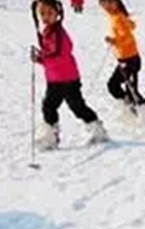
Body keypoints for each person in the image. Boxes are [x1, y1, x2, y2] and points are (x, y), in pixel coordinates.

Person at [31, 0, 108, 150]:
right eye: (42, 13)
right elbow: (50, 56)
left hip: (67, 79)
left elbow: (59, 56)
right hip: (55, 79)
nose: (45, 17)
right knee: (49, 106)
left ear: (58, 14)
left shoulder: (58, 34)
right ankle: (51, 136)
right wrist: (40, 57)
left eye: (49, 13)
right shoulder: (48, 31)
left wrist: (42, 58)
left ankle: (97, 130)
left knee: (77, 107)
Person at [99, 0, 145, 123]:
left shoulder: (118, 18)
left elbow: (127, 37)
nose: (106, 7)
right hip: (126, 59)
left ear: (116, 3)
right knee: (118, 86)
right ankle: (131, 108)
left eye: (109, 3)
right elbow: (131, 26)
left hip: (130, 60)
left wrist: (115, 41)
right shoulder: (116, 16)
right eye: (103, 5)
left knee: (124, 88)